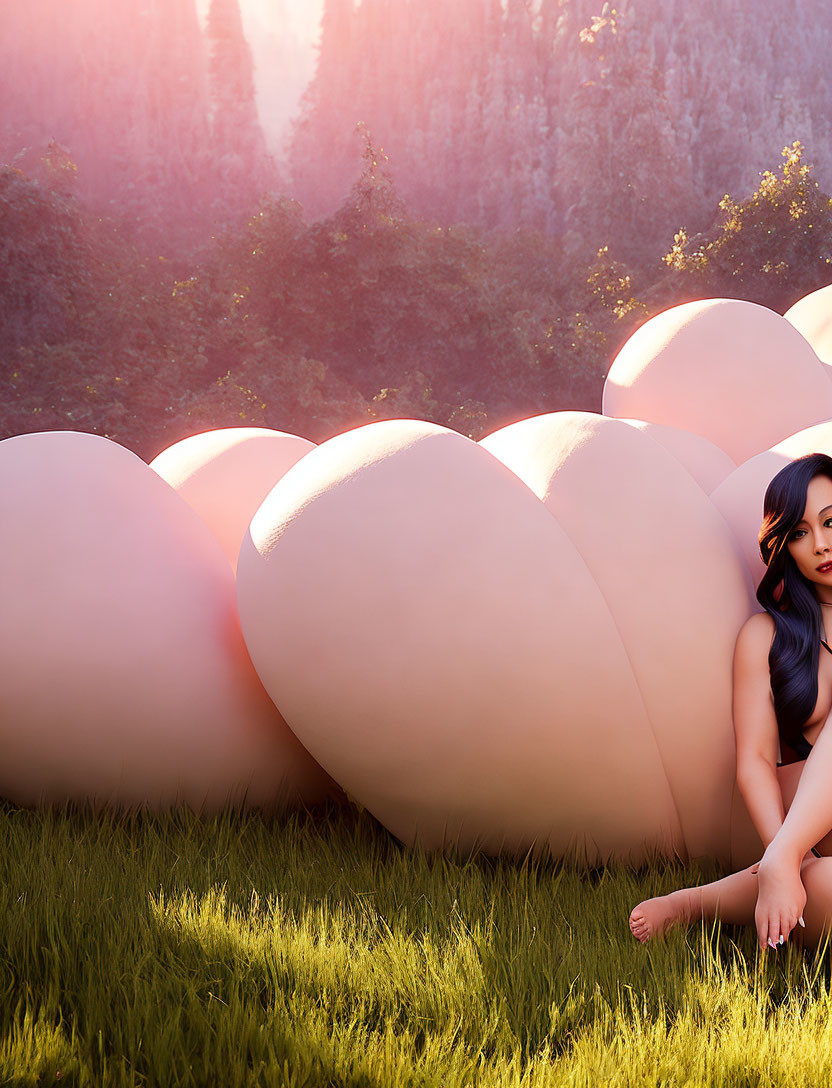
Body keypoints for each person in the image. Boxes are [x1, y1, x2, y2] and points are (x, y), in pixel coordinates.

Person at [629, 451, 832, 951]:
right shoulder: (766, 635)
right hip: (795, 825)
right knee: (813, 878)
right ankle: (772, 872)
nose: (822, 544)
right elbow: (756, 761)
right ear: (784, 544)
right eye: (802, 532)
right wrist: (786, 853)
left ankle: (700, 903)